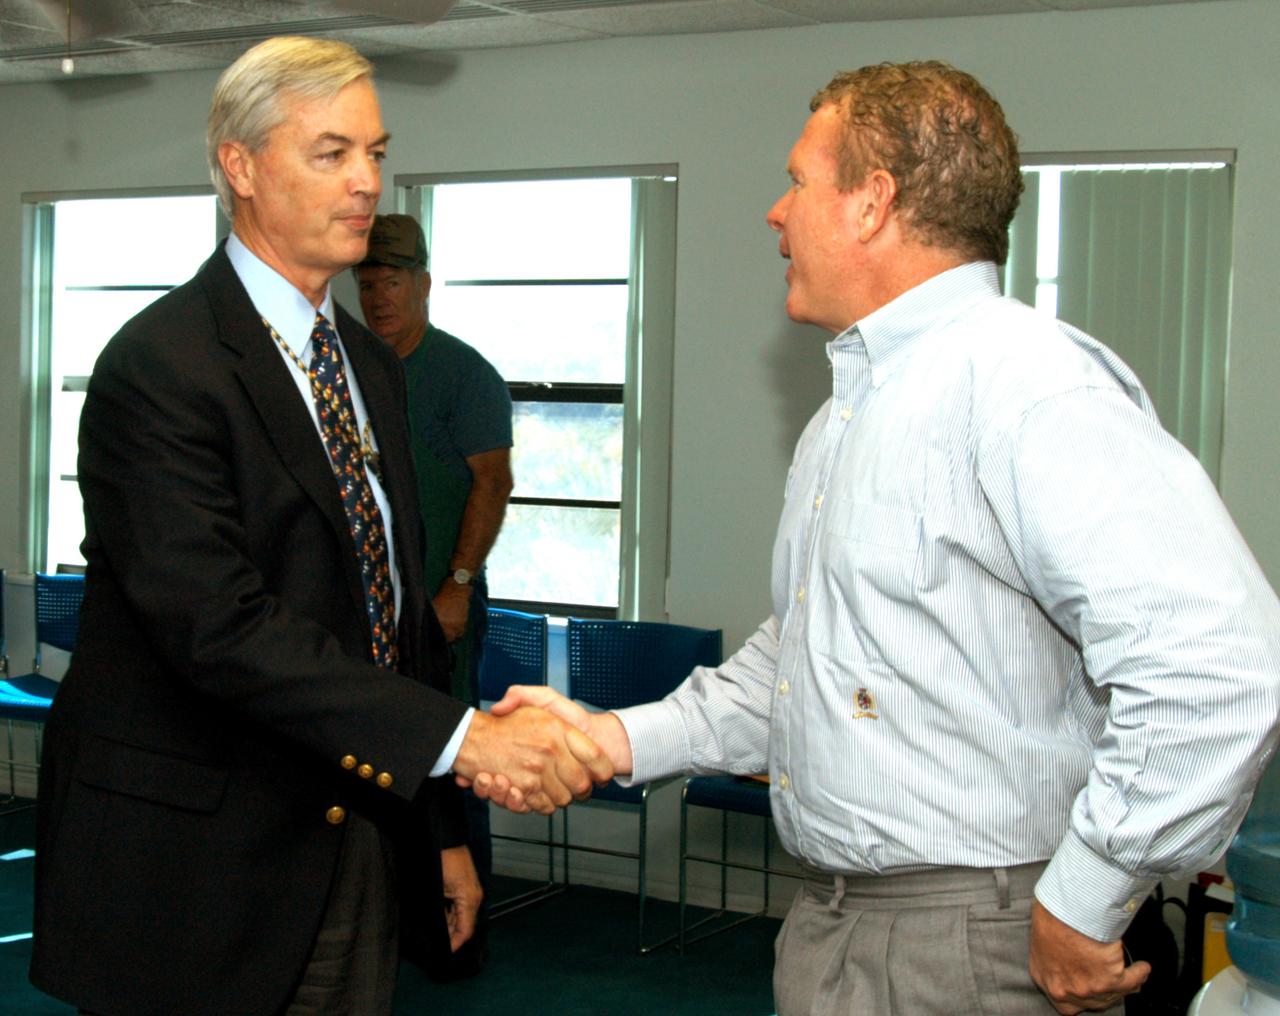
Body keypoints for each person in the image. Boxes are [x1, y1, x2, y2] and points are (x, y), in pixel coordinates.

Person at [475, 61, 1280, 1015]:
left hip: (975, 941)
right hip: (838, 924)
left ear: (871, 203)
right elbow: (801, 667)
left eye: (799, 180)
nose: (776, 212)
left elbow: (1218, 668)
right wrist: (613, 737)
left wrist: (1086, 897)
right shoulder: (849, 416)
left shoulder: (1026, 386)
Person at [29, 36, 609, 1016]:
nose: (367, 183)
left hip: (356, 837)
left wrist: (440, 828)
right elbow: (219, 626)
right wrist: (461, 742)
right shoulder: (159, 366)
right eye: (331, 153)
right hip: (198, 861)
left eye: (376, 153)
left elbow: (391, 627)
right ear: (242, 167)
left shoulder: (367, 368)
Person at [356, 213, 515, 917]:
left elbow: (494, 482)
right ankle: (389, 913)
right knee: (373, 762)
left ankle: (462, 922)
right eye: (366, 282)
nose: (378, 297)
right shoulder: (351, 367)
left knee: (453, 760)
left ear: (421, 283)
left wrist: (457, 585)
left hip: (439, 605)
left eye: (391, 281)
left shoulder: (462, 374)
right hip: (365, 611)